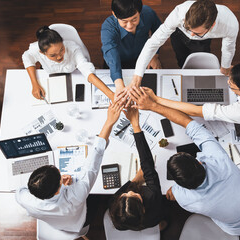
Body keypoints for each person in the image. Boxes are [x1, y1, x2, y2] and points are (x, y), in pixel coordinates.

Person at [127, 86, 240, 238]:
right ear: (199, 163)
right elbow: (187, 122)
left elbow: (170, 194)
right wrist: (153, 105)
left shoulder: (186, 199)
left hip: (239, 230)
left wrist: (174, 191)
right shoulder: (220, 160)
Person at [15, 101, 124, 233]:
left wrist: (62, 186)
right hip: (81, 221)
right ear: (56, 191)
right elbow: (92, 165)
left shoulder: (23, 197)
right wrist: (109, 122)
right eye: (60, 177)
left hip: (55, 223)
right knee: (99, 194)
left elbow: (20, 191)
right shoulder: (76, 196)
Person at [124, 0, 238, 93]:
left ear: (212, 26)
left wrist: (225, 66)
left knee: (202, 57)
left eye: (196, 33)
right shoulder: (179, 13)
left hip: (203, 41)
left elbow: (228, 48)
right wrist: (137, 76)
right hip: (179, 34)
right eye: (189, 30)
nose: (191, 35)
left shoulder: (230, 24)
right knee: (181, 57)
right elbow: (153, 43)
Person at [109, 103, 164, 230]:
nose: (130, 191)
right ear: (142, 209)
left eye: (124, 195)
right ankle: (161, 225)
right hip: (154, 219)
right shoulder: (152, 196)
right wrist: (135, 124)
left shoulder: (115, 210)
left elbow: (128, 192)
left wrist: (136, 180)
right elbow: (148, 164)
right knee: (159, 217)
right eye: (134, 196)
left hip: (135, 223)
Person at [22, 26, 114, 100]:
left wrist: (111, 95)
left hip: (74, 77)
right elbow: (27, 58)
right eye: (53, 55)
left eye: (62, 50)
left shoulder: (73, 48)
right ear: (42, 53)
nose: (59, 57)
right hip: (52, 83)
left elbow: (87, 71)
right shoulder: (35, 49)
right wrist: (34, 84)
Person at [101, 0, 162, 99]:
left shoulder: (148, 13)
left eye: (134, 19)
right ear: (114, 14)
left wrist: (155, 55)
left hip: (144, 57)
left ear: (140, 12)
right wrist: (119, 84)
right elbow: (111, 53)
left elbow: (159, 32)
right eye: (124, 21)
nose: (129, 26)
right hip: (118, 62)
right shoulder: (108, 26)